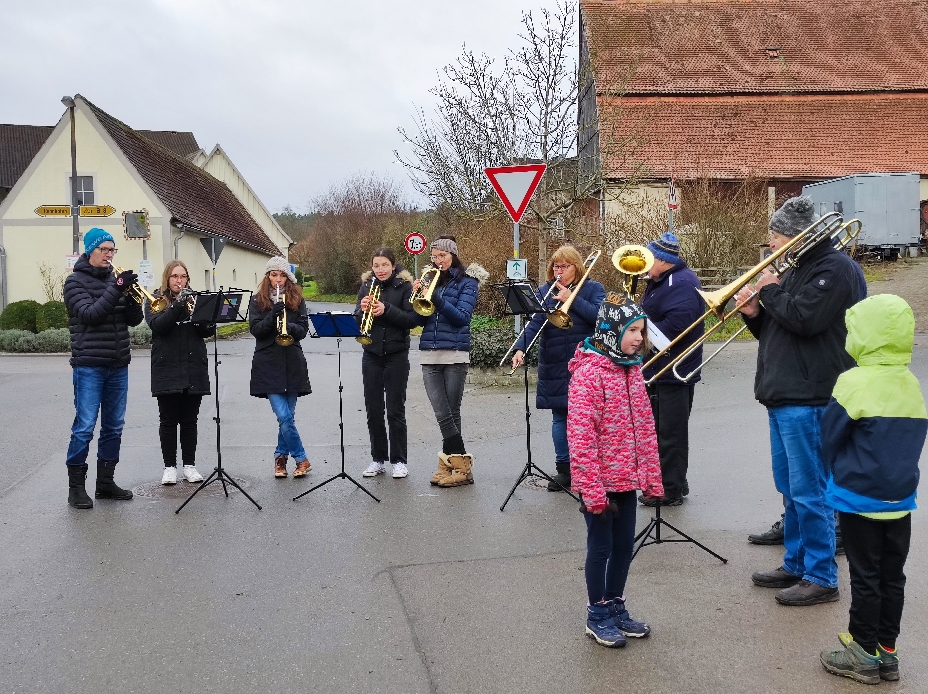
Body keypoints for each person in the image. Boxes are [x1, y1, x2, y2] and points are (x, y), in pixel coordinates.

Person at [737, 196, 860, 606]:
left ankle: (821, 575)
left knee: (811, 492)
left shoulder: (834, 268)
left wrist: (770, 291)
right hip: (784, 393)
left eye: (776, 235)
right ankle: (796, 562)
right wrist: (755, 314)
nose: (771, 243)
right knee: (790, 488)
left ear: (796, 236)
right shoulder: (796, 269)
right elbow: (780, 330)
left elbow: (806, 320)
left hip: (810, 396)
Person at [819, 295, 927, 684]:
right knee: (892, 576)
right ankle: (887, 652)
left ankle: (862, 652)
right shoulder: (910, 382)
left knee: (865, 576)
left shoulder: (854, 381)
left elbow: (829, 437)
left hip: (859, 497)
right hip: (900, 498)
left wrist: (836, 469)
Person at [568, 292, 664, 648]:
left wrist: (651, 477)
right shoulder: (589, 374)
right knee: (601, 547)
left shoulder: (631, 370)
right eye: (632, 331)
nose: (640, 338)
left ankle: (615, 604)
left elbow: (645, 428)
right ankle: (597, 614)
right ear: (611, 330)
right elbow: (581, 437)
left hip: (626, 478)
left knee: (624, 546)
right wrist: (592, 491)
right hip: (598, 484)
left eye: (642, 330)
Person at [511, 245, 605, 491]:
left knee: (588, 419)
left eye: (564, 266)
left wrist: (571, 300)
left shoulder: (593, 289)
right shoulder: (546, 291)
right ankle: (564, 470)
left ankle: (588, 469)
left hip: (585, 361)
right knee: (560, 417)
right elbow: (535, 323)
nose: (559, 271)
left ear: (577, 267)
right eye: (556, 266)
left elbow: (600, 318)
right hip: (553, 360)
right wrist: (520, 348)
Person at [62, 227, 144, 509]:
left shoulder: (114, 280)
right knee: (85, 427)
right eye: (104, 249)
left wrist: (132, 298)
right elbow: (90, 315)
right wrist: (117, 288)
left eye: (112, 250)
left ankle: (105, 483)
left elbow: (132, 320)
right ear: (90, 251)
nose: (109, 254)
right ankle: (76, 488)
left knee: (113, 426)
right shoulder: (74, 282)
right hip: (89, 364)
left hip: (118, 363)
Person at [638, 232, 704, 506]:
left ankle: (670, 489)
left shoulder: (681, 284)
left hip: (674, 370)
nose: (645, 264)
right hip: (661, 368)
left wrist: (638, 329)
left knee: (670, 433)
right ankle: (674, 482)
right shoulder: (661, 281)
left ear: (664, 261)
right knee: (661, 429)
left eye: (649, 259)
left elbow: (675, 328)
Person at [417, 236, 488, 488]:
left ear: (453, 256)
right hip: (429, 353)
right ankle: (457, 467)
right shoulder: (430, 280)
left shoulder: (468, 282)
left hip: (455, 354)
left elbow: (461, 318)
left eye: (443, 256)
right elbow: (419, 320)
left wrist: (436, 298)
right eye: (434, 257)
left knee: (449, 413)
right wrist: (415, 298)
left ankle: (452, 467)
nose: (438, 261)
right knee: (442, 412)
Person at [145, 260, 214, 485]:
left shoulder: (195, 299)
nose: (179, 280)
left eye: (183, 276)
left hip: (193, 366)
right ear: (167, 278)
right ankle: (169, 467)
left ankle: (189, 466)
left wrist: (206, 316)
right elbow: (159, 326)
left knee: (189, 420)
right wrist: (178, 305)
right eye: (175, 276)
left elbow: (205, 331)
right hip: (167, 366)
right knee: (168, 420)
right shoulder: (155, 300)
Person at [353, 248, 418, 479]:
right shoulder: (366, 286)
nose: (380, 270)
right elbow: (357, 319)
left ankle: (399, 461)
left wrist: (386, 309)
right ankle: (377, 459)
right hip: (371, 354)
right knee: (373, 410)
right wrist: (361, 311)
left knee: (395, 410)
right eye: (376, 265)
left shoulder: (405, 287)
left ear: (393, 265)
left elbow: (411, 320)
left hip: (396, 355)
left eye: (384, 265)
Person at [249, 257, 312, 479]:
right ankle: (301, 458)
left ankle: (280, 459)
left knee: (287, 418)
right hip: (268, 363)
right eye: (274, 275)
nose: (278, 279)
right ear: (268, 277)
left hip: (292, 362)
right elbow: (256, 330)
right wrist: (272, 315)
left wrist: (289, 325)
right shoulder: (257, 301)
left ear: (288, 278)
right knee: (284, 416)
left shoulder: (297, 299)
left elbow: (303, 330)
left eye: (282, 275)